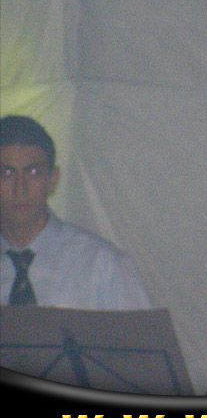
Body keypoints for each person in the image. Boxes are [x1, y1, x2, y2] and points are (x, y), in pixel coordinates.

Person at [0, 115, 152, 310]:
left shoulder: (104, 265)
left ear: (53, 179)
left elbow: (139, 330)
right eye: (7, 174)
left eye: (33, 172)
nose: (20, 189)